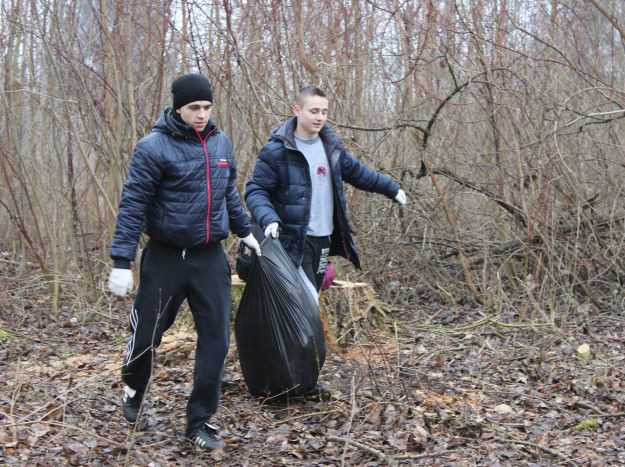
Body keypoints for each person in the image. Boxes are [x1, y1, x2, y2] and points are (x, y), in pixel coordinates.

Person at [107, 73, 260, 451]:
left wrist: (246, 231)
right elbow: (133, 204)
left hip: (209, 257)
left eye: (207, 107)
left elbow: (229, 194)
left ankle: (200, 421)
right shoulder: (153, 147)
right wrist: (121, 261)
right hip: (166, 257)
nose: (202, 114)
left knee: (216, 342)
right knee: (146, 336)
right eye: (195, 108)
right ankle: (132, 384)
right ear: (178, 107)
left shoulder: (221, 142)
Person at [244, 85, 407, 397]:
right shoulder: (278, 150)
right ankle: (293, 382)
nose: (319, 117)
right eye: (313, 111)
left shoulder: (330, 148)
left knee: (308, 308)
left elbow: (360, 174)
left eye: (324, 112)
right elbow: (255, 190)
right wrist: (269, 218)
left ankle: (297, 379)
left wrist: (391, 188)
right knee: (300, 311)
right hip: (288, 242)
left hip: (321, 242)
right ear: (297, 111)